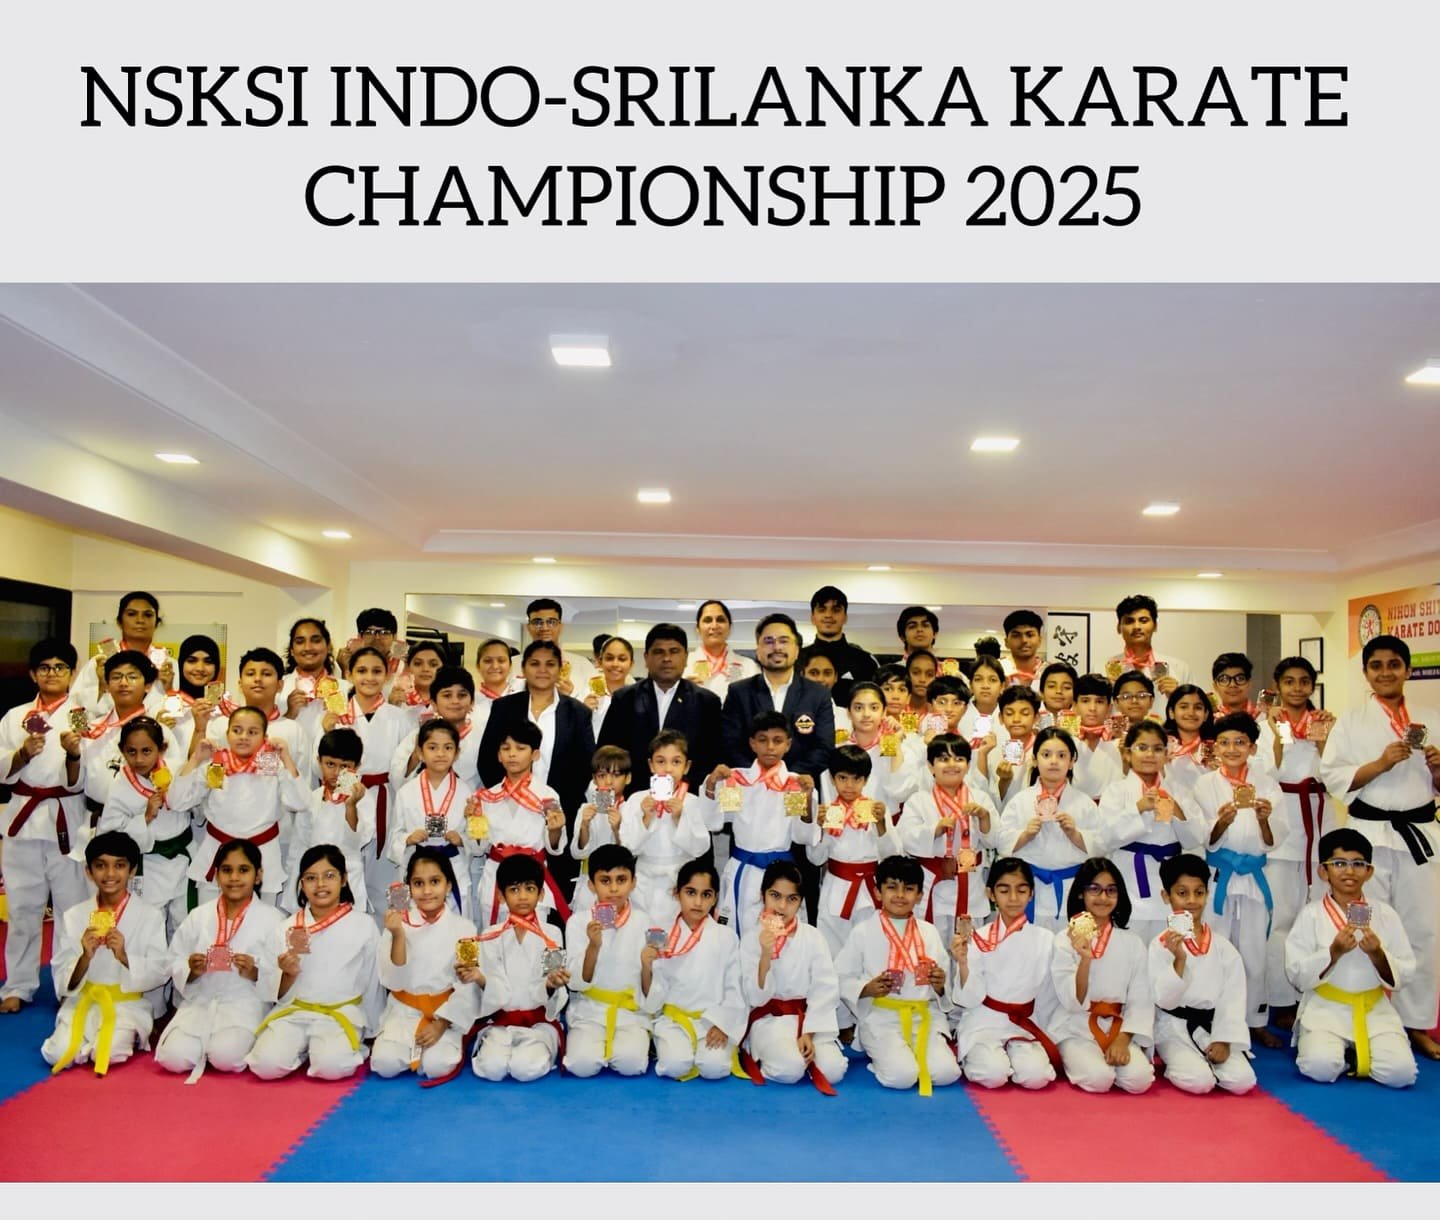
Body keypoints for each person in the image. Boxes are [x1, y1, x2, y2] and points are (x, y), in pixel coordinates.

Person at [1319, 634, 1440, 1060]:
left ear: (1408, 670)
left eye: (1394, 664)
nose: (1385, 672)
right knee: (1361, 927)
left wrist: (1438, 772)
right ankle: (1362, 1019)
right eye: (1376, 665)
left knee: (1423, 930)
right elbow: (1333, 777)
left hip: (1419, 836)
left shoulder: (1432, 718)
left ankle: (1416, 1023)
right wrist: (1380, 764)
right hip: (1366, 839)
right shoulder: (1351, 722)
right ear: (1366, 672)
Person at [1285, 828, 1418, 1087]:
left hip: (1374, 1008)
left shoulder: (1385, 915)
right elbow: (1296, 973)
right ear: (1323, 871)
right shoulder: (1311, 915)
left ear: (1369, 872)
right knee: (1319, 1067)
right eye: (1339, 863)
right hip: (1326, 1008)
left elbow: (1406, 970)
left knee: (1402, 1074)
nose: (1349, 871)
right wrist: (1332, 953)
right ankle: (1343, 1053)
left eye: (1358, 864)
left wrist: (1378, 955)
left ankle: (1356, 1052)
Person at [1, 639, 87, 1014]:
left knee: (71, 909)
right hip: (23, 818)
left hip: (67, 817)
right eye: (45, 667)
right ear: (33, 674)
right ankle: (18, 985)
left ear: (72, 673)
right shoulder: (14, 717)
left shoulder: (82, 716)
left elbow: (87, 774)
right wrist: (22, 754)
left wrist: (73, 755)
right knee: (22, 908)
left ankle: (69, 984)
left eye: (60, 667)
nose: (52, 673)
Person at [247, 843, 383, 1080]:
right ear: (301, 884)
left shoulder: (364, 925)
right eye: (311, 878)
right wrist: (287, 975)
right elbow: (268, 989)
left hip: (340, 1013)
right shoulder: (286, 927)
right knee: (265, 1066)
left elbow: (373, 980)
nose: (320, 884)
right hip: (293, 1011)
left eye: (329, 876)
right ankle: (302, 1051)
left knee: (332, 1067)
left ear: (343, 879)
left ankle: (328, 1049)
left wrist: (375, 1027)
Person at [155, 837, 287, 1081]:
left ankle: (228, 1045)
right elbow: (173, 960)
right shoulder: (199, 916)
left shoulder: (273, 920)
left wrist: (256, 973)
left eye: (243, 870)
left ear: (258, 875)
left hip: (245, 1004)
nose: (234, 877)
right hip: (200, 1003)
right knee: (172, 1059)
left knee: (226, 1057)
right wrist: (190, 969)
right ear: (216, 875)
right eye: (227, 870)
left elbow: (283, 974)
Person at [1191, 712, 1286, 1048]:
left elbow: (1276, 837)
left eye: (1240, 742)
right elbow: (1202, 835)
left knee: (1254, 952)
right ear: (1215, 748)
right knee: (1216, 946)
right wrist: (1221, 822)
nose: (1232, 749)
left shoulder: (1267, 783)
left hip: (1254, 877)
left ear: (1253, 747)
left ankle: (1254, 1020)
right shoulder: (1204, 784)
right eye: (1225, 742)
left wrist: (1263, 819)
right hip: (1220, 876)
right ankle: (1213, 1017)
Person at [41, 830, 168, 1076]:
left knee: (107, 1053)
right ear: (89, 872)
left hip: (128, 1004)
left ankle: (117, 1037)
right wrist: (84, 957)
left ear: (132, 870)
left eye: (119, 865)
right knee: (55, 1053)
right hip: (84, 1000)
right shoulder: (74, 915)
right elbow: (61, 971)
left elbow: (160, 969)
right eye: (101, 866)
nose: (110, 874)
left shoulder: (150, 915)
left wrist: (124, 956)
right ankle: (87, 1039)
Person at [477, 640, 596, 897]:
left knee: (555, 894)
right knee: (511, 894)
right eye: (535, 664)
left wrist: (553, 804)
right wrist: (508, 799)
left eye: (550, 664)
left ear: (560, 669)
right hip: (511, 814)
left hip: (558, 812)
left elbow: (585, 766)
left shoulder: (577, 712)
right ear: (523, 668)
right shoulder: (504, 707)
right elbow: (487, 760)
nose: (542, 670)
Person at [834, 854, 958, 1094]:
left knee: (946, 1074)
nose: (900, 895)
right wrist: (866, 989)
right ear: (878, 892)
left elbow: (944, 983)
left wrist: (940, 986)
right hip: (881, 1018)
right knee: (902, 1077)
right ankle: (883, 1060)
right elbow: (841, 977)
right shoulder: (863, 932)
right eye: (892, 887)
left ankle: (905, 1055)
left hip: (923, 1016)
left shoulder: (929, 932)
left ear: (919, 895)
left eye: (909, 889)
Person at [1259, 654, 1336, 1030]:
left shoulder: (1325, 722)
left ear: (1312, 685)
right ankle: (1281, 999)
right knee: (1281, 918)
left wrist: (1324, 742)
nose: (1297, 688)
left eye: (1304, 681)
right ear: (1278, 686)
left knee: (1321, 912)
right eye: (1289, 681)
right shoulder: (1266, 723)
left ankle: (1318, 994)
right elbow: (1264, 772)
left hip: (1319, 818)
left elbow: (1335, 774)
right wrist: (1276, 736)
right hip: (1284, 821)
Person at [170, 706, 308, 906]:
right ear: (227, 734)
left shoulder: (271, 764)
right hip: (218, 851)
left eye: (252, 732)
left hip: (262, 854)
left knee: (261, 919)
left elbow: (299, 803)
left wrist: (286, 758)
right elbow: (177, 801)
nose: (243, 737)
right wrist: (195, 759)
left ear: (264, 737)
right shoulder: (216, 764)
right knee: (211, 917)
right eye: (237, 730)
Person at [702, 712, 820, 934]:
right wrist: (711, 785)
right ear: (752, 743)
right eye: (763, 740)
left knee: (779, 937)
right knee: (735, 934)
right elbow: (715, 823)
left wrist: (806, 800)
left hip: (780, 875)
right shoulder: (737, 780)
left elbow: (802, 836)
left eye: (777, 740)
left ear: (788, 744)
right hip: (742, 869)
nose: (770, 747)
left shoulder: (795, 784)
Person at [1148, 852, 1256, 1095]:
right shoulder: (1159, 945)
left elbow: (1233, 998)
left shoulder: (1223, 947)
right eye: (1182, 893)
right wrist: (1179, 960)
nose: (1191, 901)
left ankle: (1210, 1056)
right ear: (1166, 896)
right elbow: (1164, 1000)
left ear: (1207, 894)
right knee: (1199, 1082)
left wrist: (1224, 1039)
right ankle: (1179, 1062)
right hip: (1173, 1028)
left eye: (1198, 892)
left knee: (1243, 1081)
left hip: (1214, 1026)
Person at [949, 857, 1061, 1089]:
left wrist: (1043, 1029)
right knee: (993, 1075)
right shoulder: (978, 937)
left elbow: (1048, 996)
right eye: (1004, 890)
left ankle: (1015, 1054)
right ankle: (981, 1055)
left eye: (1021, 890)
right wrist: (963, 963)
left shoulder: (1046, 939)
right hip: (985, 1020)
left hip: (1024, 1022)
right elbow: (968, 999)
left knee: (1036, 1077)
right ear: (991, 894)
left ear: (1031, 894)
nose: (1013, 898)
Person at [736, 859, 848, 1090]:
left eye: (791, 899)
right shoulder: (751, 938)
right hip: (770, 1020)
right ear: (762, 895)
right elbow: (755, 998)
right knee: (790, 1069)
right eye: (775, 896)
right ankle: (764, 1051)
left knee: (834, 1070)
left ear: (800, 902)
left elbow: (825, 989)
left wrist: (809, 1031)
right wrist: (765, 955)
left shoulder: (813, 936)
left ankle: (800, 1051)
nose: (782, 906)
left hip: (808, 1018)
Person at [317, 646, 412, 917]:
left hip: (385, 798)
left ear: (387, 675)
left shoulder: (399, 717)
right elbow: (321, 763)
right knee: (347, 869)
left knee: (387, 875)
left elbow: (406, 765)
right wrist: (325, 729)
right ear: (349, 674)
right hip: (344, 798)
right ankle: (349, 929)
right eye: (361, 670)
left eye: (376, 671)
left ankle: (392, 932)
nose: (369, 677)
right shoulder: (334, 715)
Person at [371, 848, 480, 1081]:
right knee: (384, 1064)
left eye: (435, 882)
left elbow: (468, 984)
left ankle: (440, 1041)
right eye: (418, 883)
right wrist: (398, 935)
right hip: (404, 1011)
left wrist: (443, 1024)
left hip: (444, 1012)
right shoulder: (397, 924)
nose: (427, 891)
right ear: (409, 888)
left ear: (448, 886)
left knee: (437, 1066)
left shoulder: (465, 929)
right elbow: (392, 980)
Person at [1050, 858, 1155, 1094]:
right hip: (1076, 1026)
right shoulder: (1064, 940)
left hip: (1118, 1027)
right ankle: (1079, 1058)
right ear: (1081, 893)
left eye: (1111, 890)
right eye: (1094, 889)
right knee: (1098, 1079)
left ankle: (1116, 1051)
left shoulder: (1132, 942)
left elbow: (1141, 998)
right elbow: (1072, 1001)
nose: (1103, 897)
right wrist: (1085, 959)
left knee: (1139, 1080)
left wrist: (1123, 1039)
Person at [1099, 720, 1207, 946]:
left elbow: (1195, 838)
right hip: (1129, 876)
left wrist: (1175, 808)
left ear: (1166, 754)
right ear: (1127, 753)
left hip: (1170, 881)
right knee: (1129, 947)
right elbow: (1106, 838)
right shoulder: (1115, 791)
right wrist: (1138, 808)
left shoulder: (1178, 790)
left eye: (1157, 749)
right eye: (1142, 747)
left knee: (1169, 949)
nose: (1150, 754)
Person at [465, 853, 569, 1082]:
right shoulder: (490, 935)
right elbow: (493, 988)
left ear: (541, 894)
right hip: (501, 1023)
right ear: (501, 896)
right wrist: (480, 978)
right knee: (492, 1068)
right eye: (514, 890)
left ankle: (538, 1049)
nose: (522, 896)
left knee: (524, 1068)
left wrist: (551, 985)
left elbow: (551, 988)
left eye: (530, 889)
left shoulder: (551, 934)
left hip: (539, 1023)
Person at [646, 859, 746, 1081]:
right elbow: (656, 987)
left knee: (714, 1069)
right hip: (674, 1021)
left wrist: (723, 1024)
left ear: (715, 898)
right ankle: (668, 1045)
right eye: (691, 893)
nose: (698, 902)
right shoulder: (661, 934)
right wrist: (647, 966)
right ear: (677, 893)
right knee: (675, 1066)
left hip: (711, 1021)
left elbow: (734, 986)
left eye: (706, 894)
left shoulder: (726, 936)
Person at [562, 843, 655, 1077]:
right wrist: (593, 947)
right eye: (605, 881)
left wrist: (648, 966)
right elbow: (576, 983)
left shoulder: (644, 922)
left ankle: (632, 1043)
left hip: (630, 1012)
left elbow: (651, 983)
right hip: (589, 1011)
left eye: (621, 880)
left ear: (633, 882)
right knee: (581, 1066)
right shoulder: (578, 922)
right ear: (591, 885)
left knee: (631, 1065)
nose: (614, 889)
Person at [598, 623, 723, 796]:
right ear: (646, 657)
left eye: (674, 651)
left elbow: (712, 760)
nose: (667, 658)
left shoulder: (707, 703)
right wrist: (607, 802)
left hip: (687, 801)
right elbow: (606, 756)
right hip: (632, 800)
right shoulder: (624, 699)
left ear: (686, 657)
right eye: (659, 652)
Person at [897, 734, 1000, 942]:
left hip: (970, 885)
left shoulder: (980, 798)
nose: (952, 764)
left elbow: (994, 840)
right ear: (930, 766)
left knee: (968, 949)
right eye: (944, 759)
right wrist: (933, 831)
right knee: (931, 945)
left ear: (968, 765)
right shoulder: (918, 800)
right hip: (933, 884)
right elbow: (905, 839)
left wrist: (984, 818)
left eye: (959, 759)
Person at [998, 728, 1103, 931]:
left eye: (1061, 755)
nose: (1054, 761)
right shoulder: (1020, 801)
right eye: (1046, 755)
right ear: (1034, 760)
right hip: (1029, 889)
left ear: (1072, 761)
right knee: (1032, 945)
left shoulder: (1085, 803)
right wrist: (1025, 835)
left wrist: (1076, 835)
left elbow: (1101, 846)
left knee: (1070, 944)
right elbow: (1001, 842)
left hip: (1071, 887)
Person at [470, 721, 571, 929]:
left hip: (531, 876)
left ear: (535, 754)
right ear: (499, 755)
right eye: (506, 748)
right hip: (497, 877)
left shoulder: (547, 795)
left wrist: (555, 830)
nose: (512, 754)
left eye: (520, 748)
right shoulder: (487, 797)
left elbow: (555, 847)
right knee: (494, 939)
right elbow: (479, 848)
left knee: (533, 938)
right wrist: (474, 820)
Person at [97, 717, 192, 934]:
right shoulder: (119, 785)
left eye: (146, 751)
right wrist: (145, 817)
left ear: (162, 748)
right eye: (131, 752)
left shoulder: (176, 770)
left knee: (183, 923)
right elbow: (110, 834)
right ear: (122, 750)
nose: (139, 759)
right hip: (148, 865)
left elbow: (196, 805)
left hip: (183, 859)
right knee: (150, 925)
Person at [720, 612, 835, 782]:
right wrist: (759, 777)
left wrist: (786, 779)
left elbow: (823, 748)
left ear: (797, 650)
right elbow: (730, 745)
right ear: (758, 650)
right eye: (769, 641)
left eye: (783, 641)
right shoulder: (739, 692)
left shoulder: (818, 694)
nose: (777, 647)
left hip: (799, 786)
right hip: (750, 786)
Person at [808, 743, 891, 960]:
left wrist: (881, 824)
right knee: (833, 952)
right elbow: (815, 858)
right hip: (836, 887)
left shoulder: (876, 810)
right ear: (832, 779)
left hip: (870, 890)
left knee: (871, 951)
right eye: (842, 778)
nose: (849, 785)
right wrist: (820, 828)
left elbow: (891, 855)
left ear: (866, 780)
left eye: (856, 779)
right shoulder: (828, 812)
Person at [386, 720, 476, 914]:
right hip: (413, 868)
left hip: (452, 869)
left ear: (457, 753)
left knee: (453, 926)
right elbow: (394, 837)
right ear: (420, 752)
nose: (440, 754)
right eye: (432, 747)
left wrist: (462, 839)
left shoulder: (467, 792)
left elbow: (478, 841)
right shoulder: (405, 792)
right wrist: (408, 839)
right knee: (406, 924)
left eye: (448, 747)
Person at [627, 732, 712, 924]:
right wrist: (645, 818)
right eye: (661, 761)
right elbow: (628, 847)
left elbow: (700, 848)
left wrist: (680, 818)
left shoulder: (693, 802)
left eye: (676, 762)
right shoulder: (637, 800)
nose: (668, 768)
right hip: (643, 881)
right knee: (641, 931)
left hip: (680, 880)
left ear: (686, 766)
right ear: (651, 765)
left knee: (677, 932)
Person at [292, 728, 372, 913]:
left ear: (357, 766)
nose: (336, 772)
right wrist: (293, 890)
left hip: (349, 877)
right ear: (319, 761)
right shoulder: (312, 798)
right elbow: (299, 845)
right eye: (330, 764)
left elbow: (357, 841)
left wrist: (351, 806)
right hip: (314, 879)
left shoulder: (364, 799)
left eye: (344, 767)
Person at [820, 681, 923, 812]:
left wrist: (895, 745)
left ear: (884, 712)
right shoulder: (837, 749)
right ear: (849, 713)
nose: (866, 714)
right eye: (858, 708)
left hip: (885, 822)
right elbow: (828, 795)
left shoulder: (900, 748)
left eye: (874, 708)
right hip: (842, 822)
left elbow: (900, 793)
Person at [71, 591, 172, 717]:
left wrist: (169, 689)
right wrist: (101, 687)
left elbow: (175, 709)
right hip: (107, 728)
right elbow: (75, 708)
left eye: (148, 615)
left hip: (154, 727)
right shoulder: (100, 663)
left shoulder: (167, 664)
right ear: (119, 622)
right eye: (131, 614)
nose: (140, 620)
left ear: (156, 622)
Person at [389, 665, 482, 791]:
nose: (455, 701)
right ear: (434, 704)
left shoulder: (483, 737)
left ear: (472, 702)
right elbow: (397, 780)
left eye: (462, 695)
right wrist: (416, 755)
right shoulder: (419, 736)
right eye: (447, 695)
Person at [571, 745, 637, 914]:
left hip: (619, 887)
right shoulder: (586, 809)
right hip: (590, 884)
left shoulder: (632, 810)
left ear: (628, 778)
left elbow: (632, 853)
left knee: (618, 927)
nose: (609, 781)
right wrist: (585, 825)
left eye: (616, 775)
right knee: (588, 927)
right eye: (602, 775)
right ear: (594, 779)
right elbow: (577, 853)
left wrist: (617, 830)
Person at [153, 633, 223, 761]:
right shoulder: (163, 709)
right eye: (192, 661)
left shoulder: (227, 710)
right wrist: (155, 732)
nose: (200, 668)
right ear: (181, 664)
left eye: (208, 662)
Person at [1104, 594, 1190, 697]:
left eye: (1143, 621)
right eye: (1129, 621)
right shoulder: (1101, 669)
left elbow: (1194, 705)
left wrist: (1177, 695)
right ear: (1118, 627)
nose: (1137, 626)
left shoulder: (1179, 668)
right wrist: (1104, 693)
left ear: (1155, 626)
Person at [808, 585, 876, 705]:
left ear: (845, 617)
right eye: (822, 609)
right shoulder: (797, 660)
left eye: (836, 610)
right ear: (812, 617)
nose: (828, 615)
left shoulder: (865, 661)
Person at [687, 599, 760, 702]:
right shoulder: (683, 664)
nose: (714, 626)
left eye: (720, 620)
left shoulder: (749, 666)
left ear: (729, 627)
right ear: (698, 628)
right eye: (707, 620)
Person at [522, 598, 596, 698]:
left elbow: (597, 702)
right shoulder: (512, 665)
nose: (544, 628)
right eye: (537, 622)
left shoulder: (583, 665)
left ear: (560, 626)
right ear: (528, 627)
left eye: (551, 622)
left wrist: (569, 698)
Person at [1070, 673, 1122, 798]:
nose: (1092, 708)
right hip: (1072, 808)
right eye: (1085, 701)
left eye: (1099, 701)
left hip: (1113, 808)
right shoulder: (1064, 741)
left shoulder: (1121, 743)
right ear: (1074, 706)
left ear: (1109, 708)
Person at [583, 634, 636, 738]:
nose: (615, 664)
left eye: (622, 659)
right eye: (609, 658)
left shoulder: (638, 698)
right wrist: (583, 712)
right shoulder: (586, 695)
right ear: (600, 662)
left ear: (631, 664)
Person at [387, 640, 449, 728]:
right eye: (418, 663)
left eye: (433, 664)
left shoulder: (452, 702)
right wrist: (391, 708)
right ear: (409, 667)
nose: (425, 669)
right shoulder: (397, 699)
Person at [1002, 610, 1045, 689]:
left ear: (1039, 640)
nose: (1024, 640)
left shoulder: (1051, 671)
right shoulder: (997, 670)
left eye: (1030, 635)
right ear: (1006, 642)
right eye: (1016, 636)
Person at [475, 637, 521, 704]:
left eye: (501, 660)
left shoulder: (523, 696)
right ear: (478, 666)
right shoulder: (471, 702)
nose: (495, 666)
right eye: (488, 661)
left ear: (510, 665)